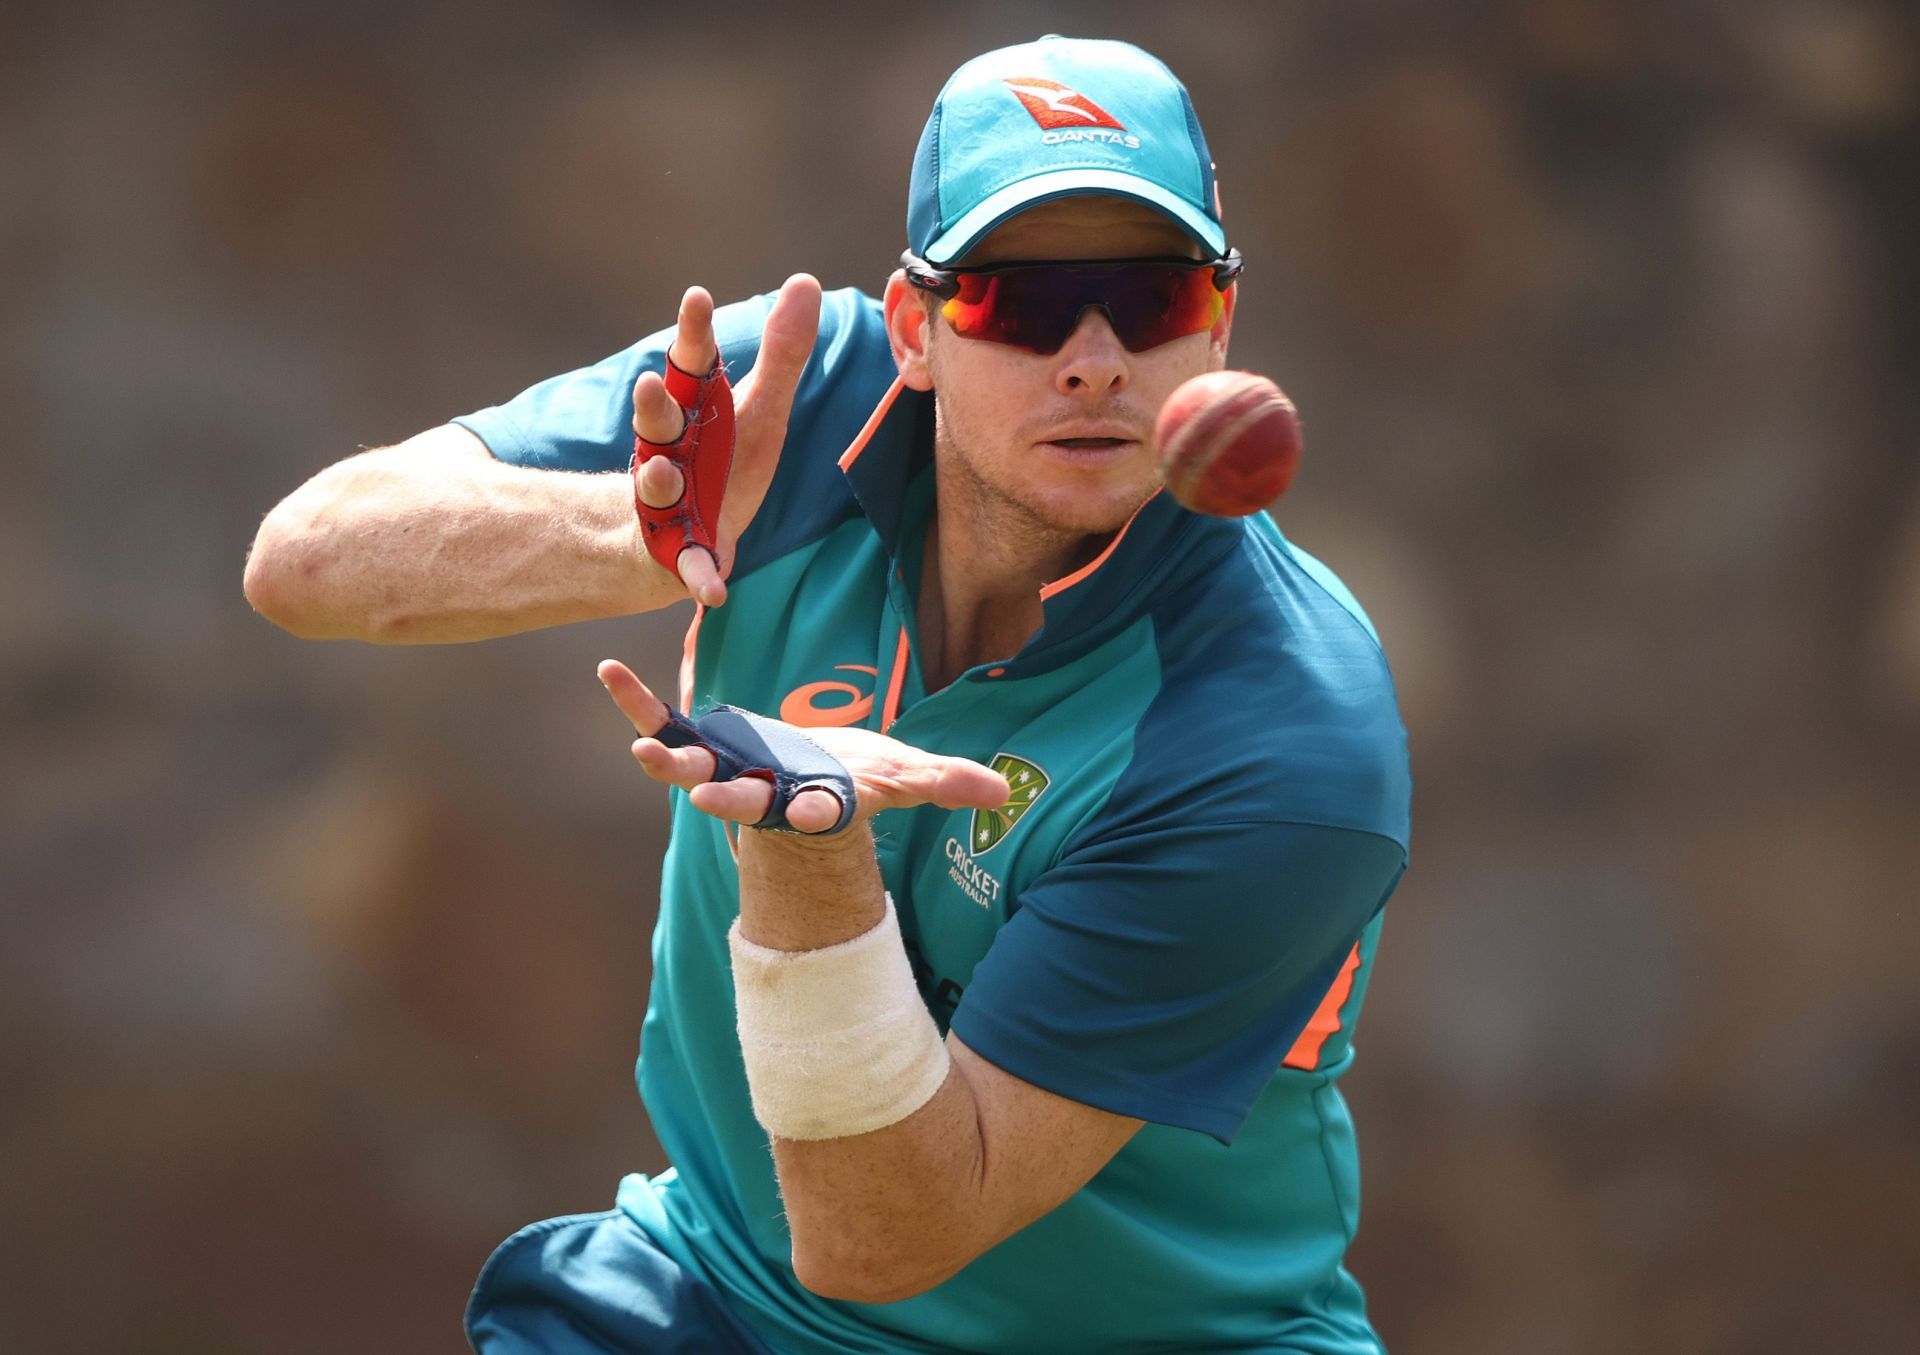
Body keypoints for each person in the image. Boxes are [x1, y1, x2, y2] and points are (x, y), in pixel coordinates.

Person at [245, 35, 1411, 1355]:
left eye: (1149, 299)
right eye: (1019, 304)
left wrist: (811, 846)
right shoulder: (794, 399)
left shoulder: (1285, 733)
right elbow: (309, 562)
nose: (1094, 361)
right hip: (726, 1293)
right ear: (915, 330)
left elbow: (884, 1239)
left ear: (1218, 328)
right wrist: (645, 539)